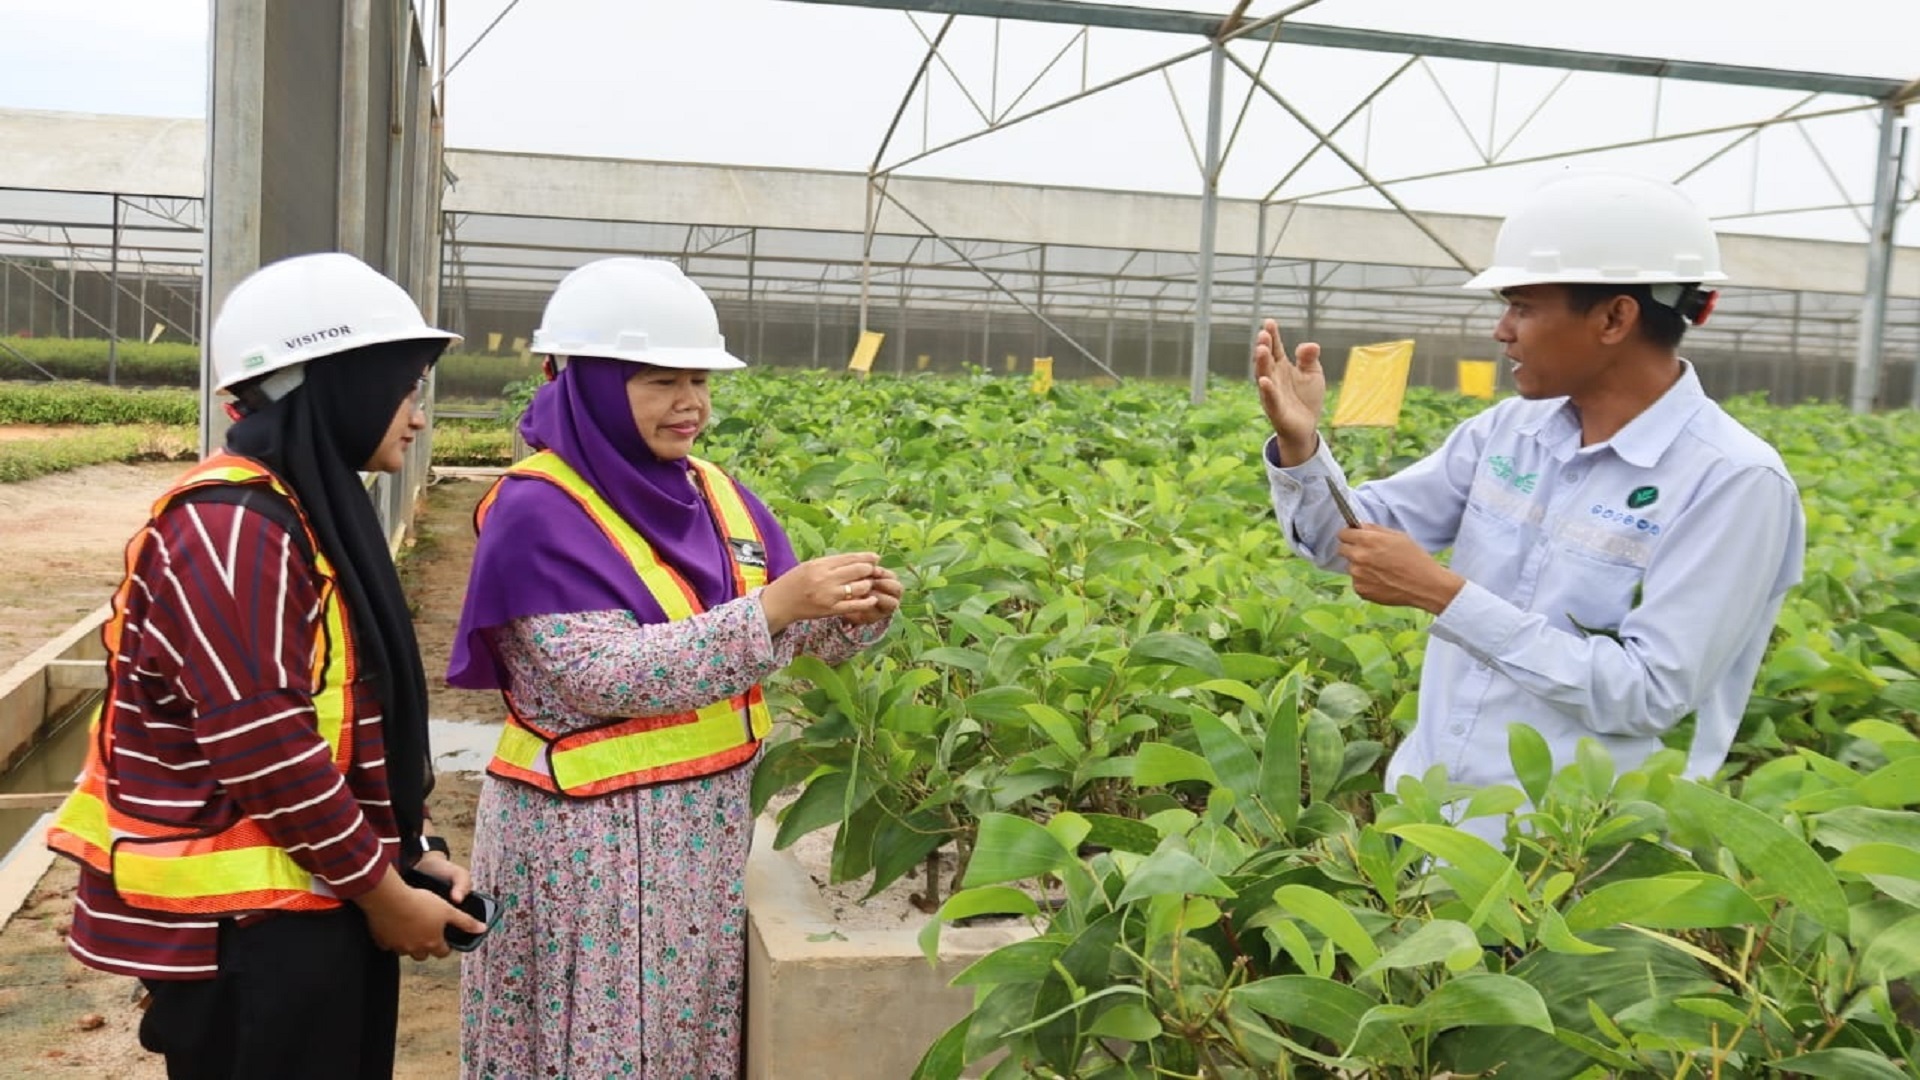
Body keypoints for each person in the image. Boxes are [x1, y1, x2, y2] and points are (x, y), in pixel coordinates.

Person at [449, 257, 902, 1078]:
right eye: (661, 381)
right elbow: (599, 674)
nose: (691, 403)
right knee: (595, 1045)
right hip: (585, 851)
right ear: (586, 383)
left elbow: (785, 644)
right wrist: (774, 607)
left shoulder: (716, 495)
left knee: (677, 1045)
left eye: (699, 379)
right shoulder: (536, 508)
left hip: (701, 838)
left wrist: (848, 619)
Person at [1256, 171, 1806, 844]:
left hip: (1566, 856)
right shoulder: (1509, 432)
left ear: (1614, 317)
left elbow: (1647, 693)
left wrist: (1447, 597)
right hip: (1428, 810)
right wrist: (1302, 446)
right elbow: (1342, 542)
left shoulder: (1731, 482)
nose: (1501, 331)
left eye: (1521, 306)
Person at [45, 252, 487, 1078]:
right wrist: (384, 895)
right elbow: (266, 745)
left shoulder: (298, 511)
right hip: (250, 933)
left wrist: (406, 849)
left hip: (311, 902)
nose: (417, 417)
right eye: (404, 387)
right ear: (336, 384)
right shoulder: (234, 528)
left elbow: (341, 719)